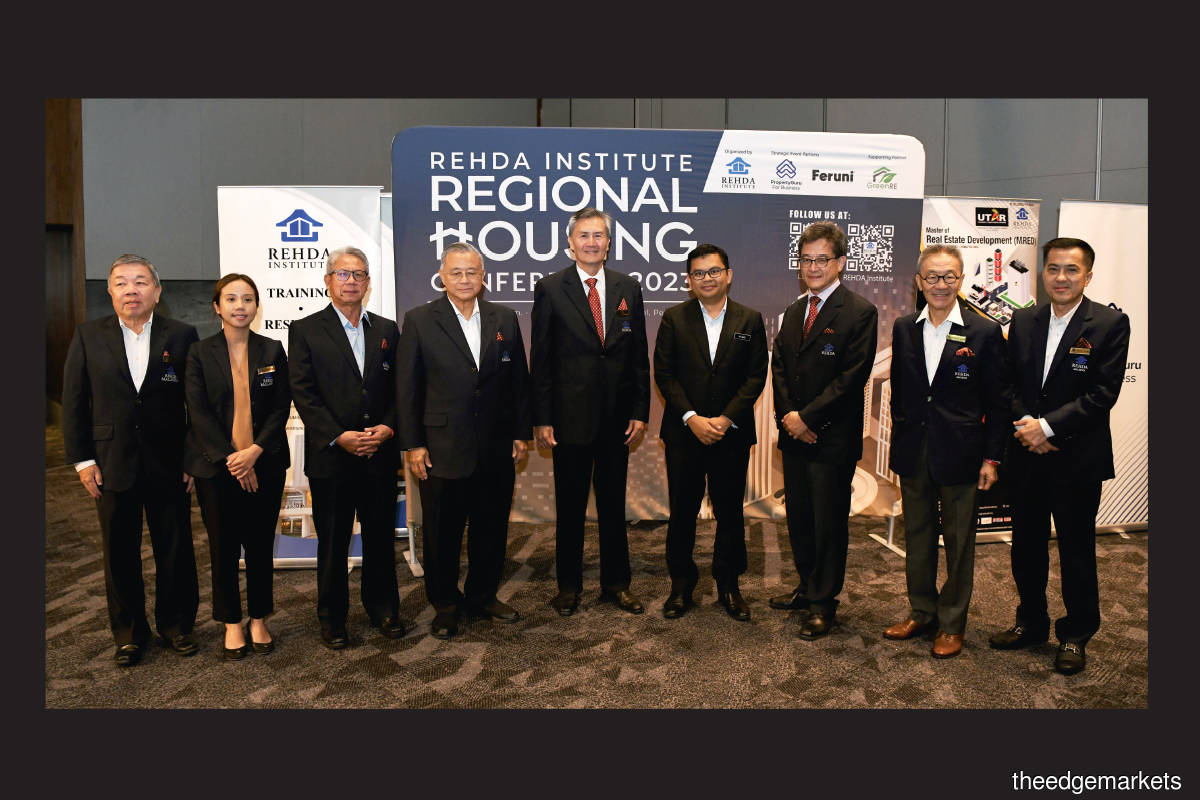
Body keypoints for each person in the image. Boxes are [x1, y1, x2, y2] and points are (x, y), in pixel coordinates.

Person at [988, 237, 1130, 675]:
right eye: (1053, 268)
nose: (1061, 277)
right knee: (1026, 548)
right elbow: (1006, 384)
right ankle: (1030, 623)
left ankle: (1076, 634)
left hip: (1076, 459)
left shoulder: (1109, 323)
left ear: (1088, 275)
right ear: (1042, 273)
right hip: (1027, 455)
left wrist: (1047, 428)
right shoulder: (1024, 318)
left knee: (1076, 551)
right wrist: (1028, 428)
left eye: (1071, 270)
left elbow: (1103, 394)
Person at [62, 253, 200, 666]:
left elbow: (197, 404)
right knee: (118, 551)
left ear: (157, 292)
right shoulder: (88, 336)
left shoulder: (183, 335)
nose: (131, 290)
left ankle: (176, 626)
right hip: (110, 461)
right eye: (121, 282)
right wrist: (82, 460)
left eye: (140, 282)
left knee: (175, 548)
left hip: (170, 462)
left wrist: (193, 458)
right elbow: (74, 402)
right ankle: (128, 634)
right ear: (110, 291)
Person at [397, 243, 532, 640]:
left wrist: (521, 432)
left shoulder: (504, 318)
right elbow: (407, 389)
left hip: (495, 446)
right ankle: (445, 604)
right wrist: (413, 444)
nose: (464, 279)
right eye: (456, 272)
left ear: (483, 275)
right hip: (441, 448)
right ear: (442, 275)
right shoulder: (420, 320)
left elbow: (518, 383)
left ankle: (483, 596)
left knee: (491, 529)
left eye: (472, 272)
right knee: (442, 533)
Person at [881, 246, 1008, 659]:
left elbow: (998, 401)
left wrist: (991, 458)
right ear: (918, 281)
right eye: (932, 277)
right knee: (917, 538)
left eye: (949, 277)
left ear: (960, 280)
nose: (940, 285)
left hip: (962, 454)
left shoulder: (985, 331)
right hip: (914, 452)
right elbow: (901, 390)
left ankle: (952, 623)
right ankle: (922, 611)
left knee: (958, 542)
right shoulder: (903, 327)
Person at [530, 207, 651, 616]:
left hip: (617, 421)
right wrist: (542, 417)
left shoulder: (627, 287)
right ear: (571, 242)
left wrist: (640, 409)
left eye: (599, 235)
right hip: (568, 422)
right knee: (570, 508)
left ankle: (617, 585)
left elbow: (638, 357)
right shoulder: (550, 288)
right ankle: (568, 587)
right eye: (584, 235)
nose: (592, 242)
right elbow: (541, 358)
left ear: (609, 243)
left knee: (614, 508)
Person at [288, 246, 408, 650]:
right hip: (332, 457)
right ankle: (333, 618)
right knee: (334, 542)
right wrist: (339, 435)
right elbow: (303, 393)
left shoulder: (388, 330)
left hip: (379, 454)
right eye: (343, 274)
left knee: (379, 537)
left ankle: (384, 609)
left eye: (359, 274)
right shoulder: (304, 330)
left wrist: (389, 427)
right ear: (327, 281)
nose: (352, 281)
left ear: (368, 283)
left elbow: (401, 389)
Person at [768, 221, 878, 640]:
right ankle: (806, 585)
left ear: (841, 262)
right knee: (799, 518)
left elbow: (852, 378)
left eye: (822, 259)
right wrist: (789, 419)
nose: (813, 267)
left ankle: (823, 603)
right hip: (795, 436)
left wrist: (809, 419)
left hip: (831, 438)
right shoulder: (795, 310)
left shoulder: (860, 311)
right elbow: (779, 369)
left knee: (828, 523)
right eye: (806, 259)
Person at [653, 244, 767, 620]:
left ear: (728, 274)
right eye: (699, 273)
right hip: (685, 433)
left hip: (730, 434)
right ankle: (681, 587)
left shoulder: (750, 320)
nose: (707, 278)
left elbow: (755, 376)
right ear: (689, 280)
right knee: (682, 512)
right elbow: (665, 374)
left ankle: (729, 587)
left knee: (730, 512)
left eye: (714, 271)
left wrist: (725, 418)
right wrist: (691, 417)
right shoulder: (673, 318)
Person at [185, 274, 291, 660]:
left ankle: (260, 617)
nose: (240, 306)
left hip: (265, 463)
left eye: (247, 299)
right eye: (231, 299)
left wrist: (255, 452)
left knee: (261, 545)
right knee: (224, 547)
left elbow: (281, 408)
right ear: (217, 307)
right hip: (217, 468)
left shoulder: (272, 350)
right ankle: (232, 622)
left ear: (256, 306)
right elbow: (198, 413)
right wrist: (234, 459)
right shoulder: (199, 353)